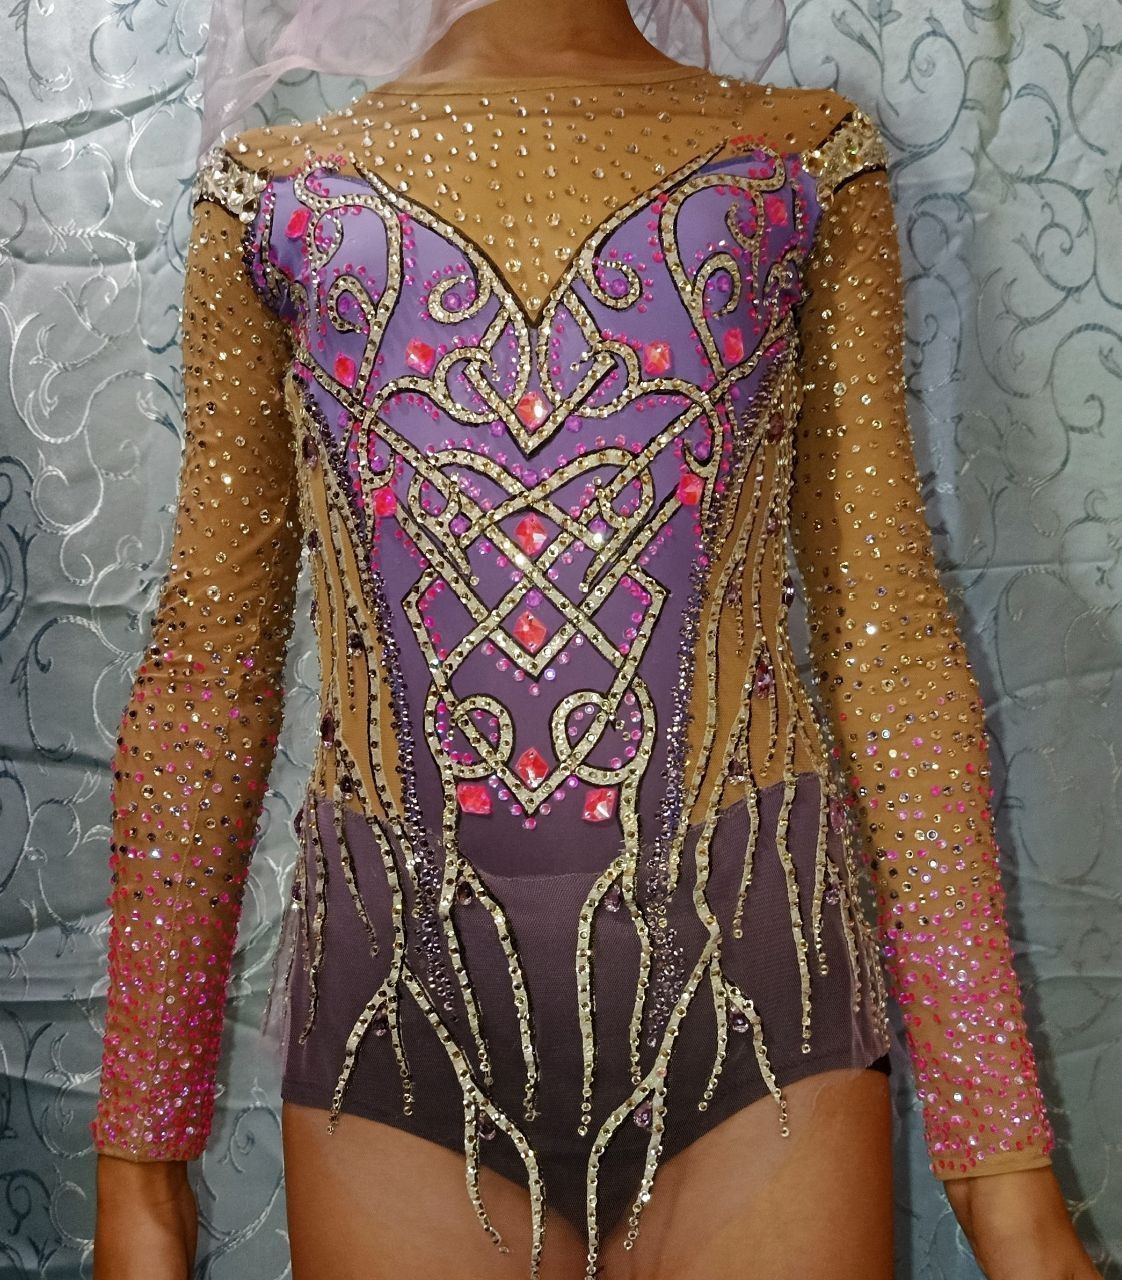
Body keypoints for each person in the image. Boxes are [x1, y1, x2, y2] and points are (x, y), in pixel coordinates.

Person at [92, 1, 1103, 1277]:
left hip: (754, 996)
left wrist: (1002, 1162)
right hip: (399, 1011)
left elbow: (886, 634)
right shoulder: (278, 199)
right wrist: (139, 1163)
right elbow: (210, 665)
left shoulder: (797, 166)